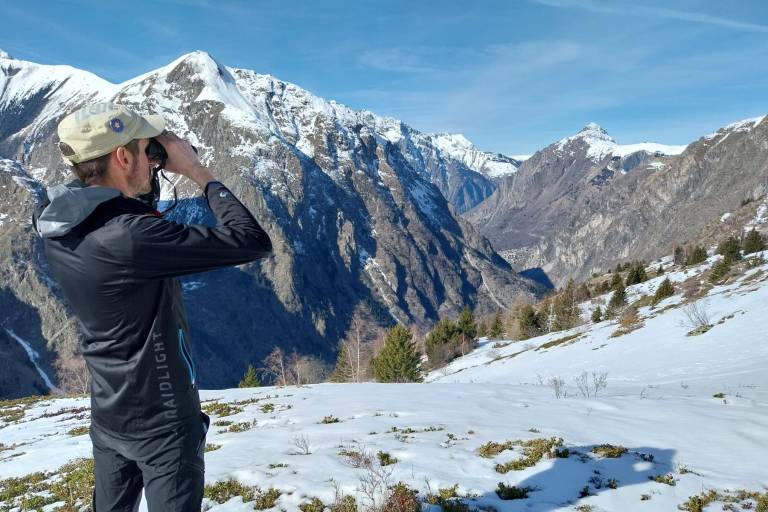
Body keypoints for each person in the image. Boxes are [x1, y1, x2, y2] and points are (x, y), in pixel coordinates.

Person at [32, 102, 272, 511]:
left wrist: (141, 178)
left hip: (109, 415)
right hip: (163, 423)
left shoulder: (58, 222)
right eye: (147, 149)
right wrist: (197, 171)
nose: (155, 157)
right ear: (122, 156)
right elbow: (251, 240)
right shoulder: (131, 236)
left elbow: (115, 211)